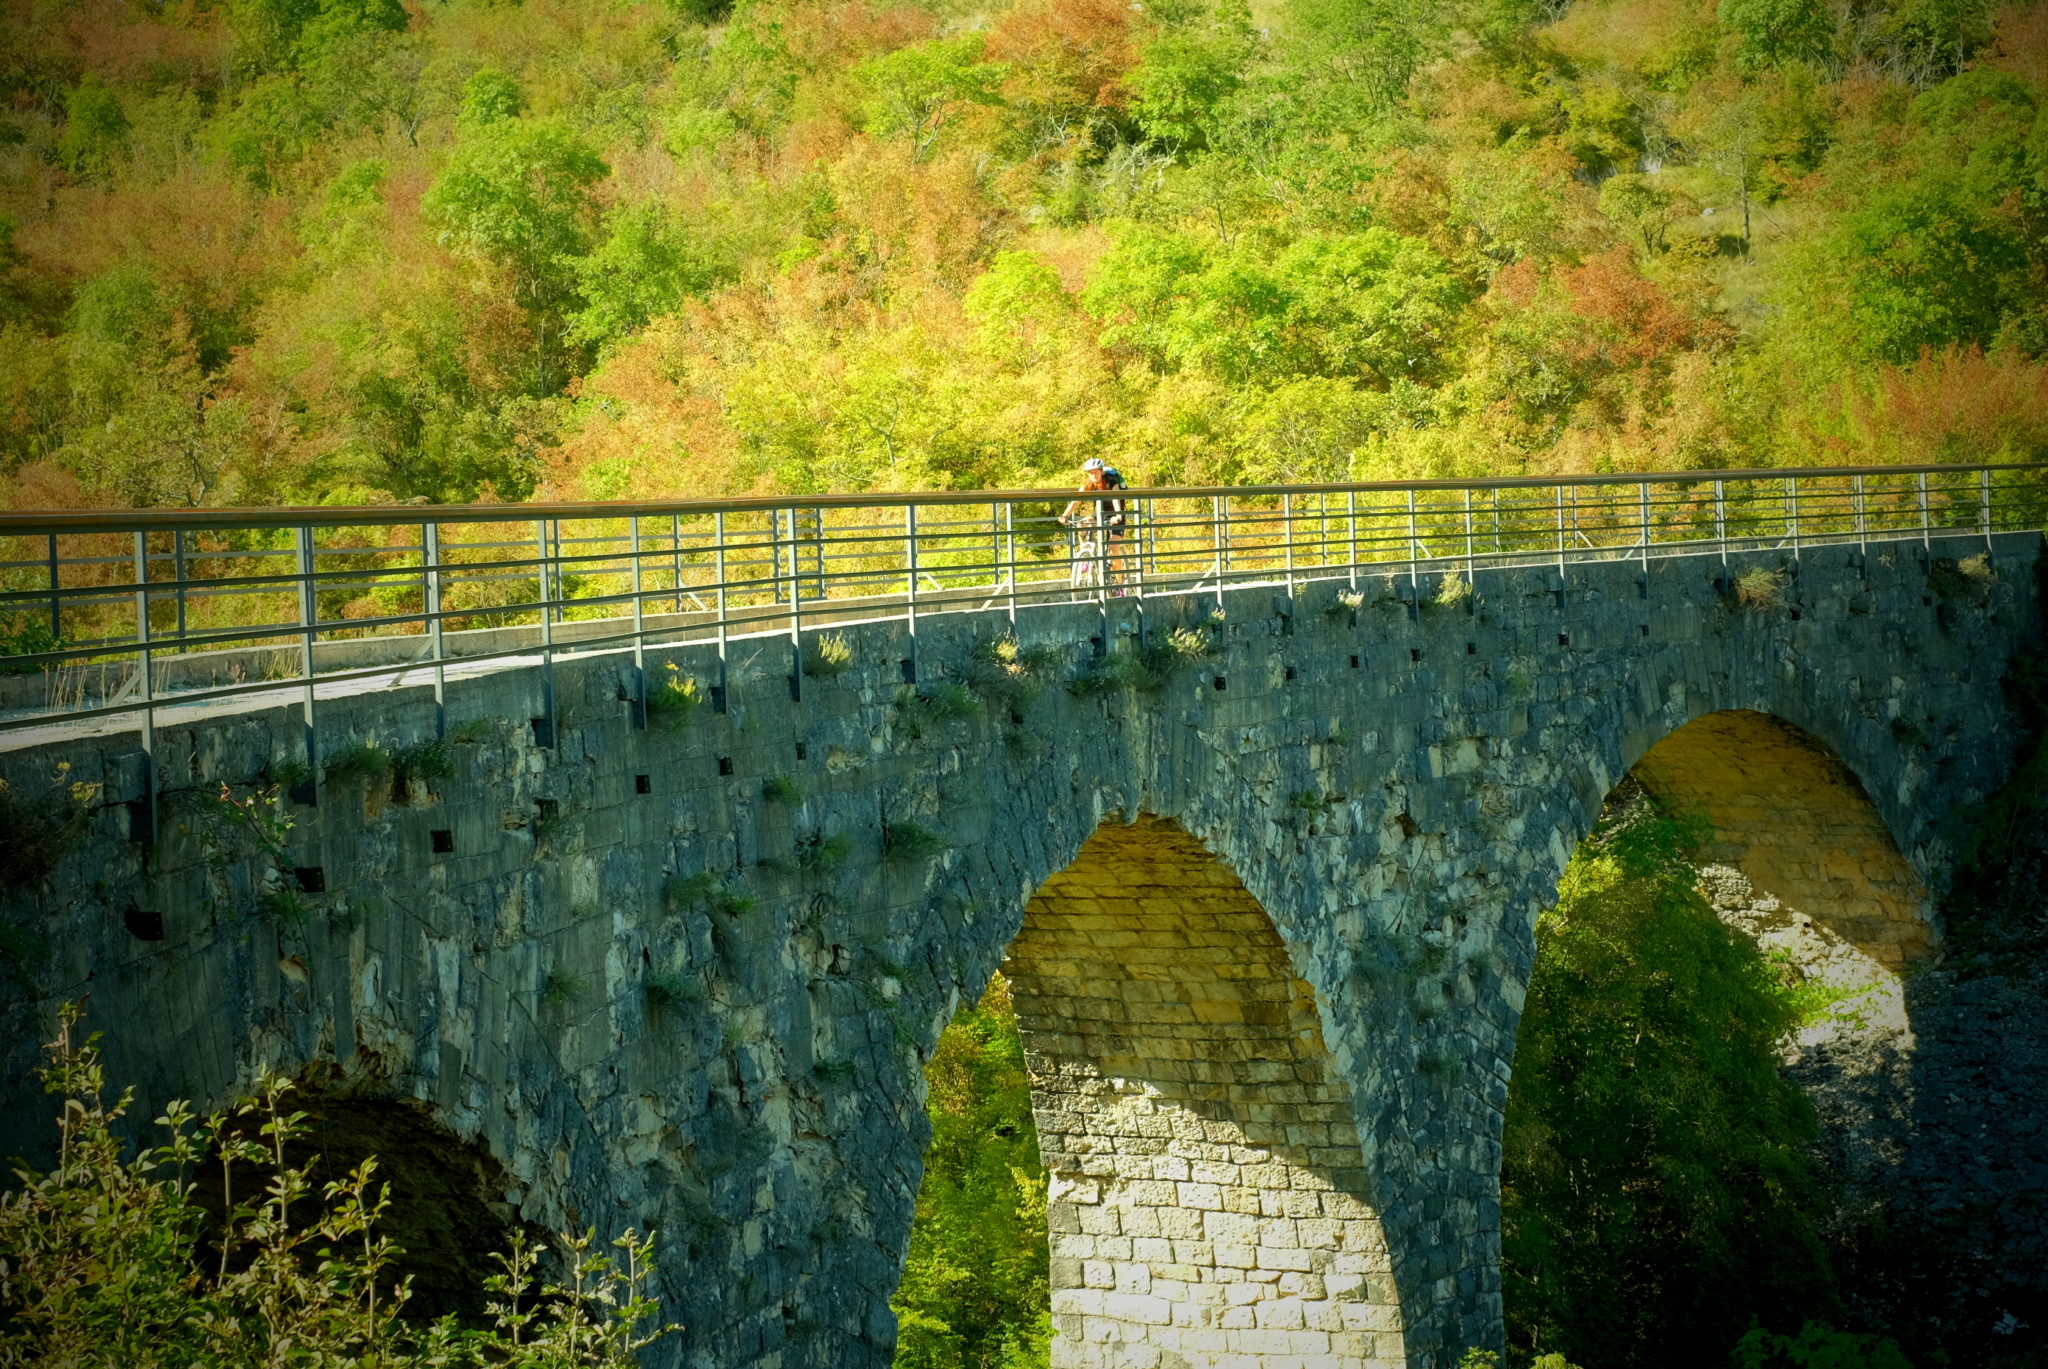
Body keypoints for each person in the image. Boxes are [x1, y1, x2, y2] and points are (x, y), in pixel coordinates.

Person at [1059, 458, 1131, 590]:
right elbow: (1076, 500)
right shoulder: (1089, 484)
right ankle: (1086, 553)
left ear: (1101, 471)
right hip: (1099, 514)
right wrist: (1065, 515)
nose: (1093, 475)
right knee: (1082, 524)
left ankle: (1119, 584)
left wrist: (1118, 515)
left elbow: (1116, 498)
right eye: (1090, 472)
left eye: (1095, 472)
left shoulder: (1111, 482)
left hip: (1115, 516)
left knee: (1113, 550)